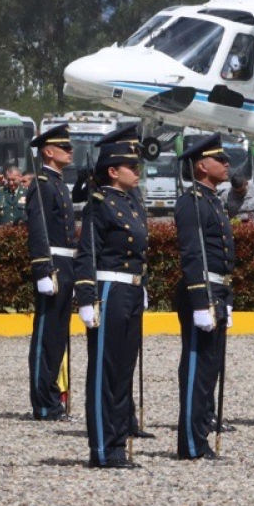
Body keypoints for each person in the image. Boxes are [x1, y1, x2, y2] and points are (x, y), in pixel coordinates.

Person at [74, 126, 149, 468]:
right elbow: (87, 254)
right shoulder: (99, 204)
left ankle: (118, 443)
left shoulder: (132, 203)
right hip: (107, 291)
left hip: (129, 291)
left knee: (123, 371)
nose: (138, 171)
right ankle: (103, 449)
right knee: (105, 372)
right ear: (112, 171)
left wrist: (141, 285)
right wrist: (86, 298)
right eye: (131, 166)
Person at [174, 131, 237, 460]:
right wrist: (202, 301)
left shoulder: (212, 199)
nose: (227, 164)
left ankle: (200, 434)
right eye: (220, 159)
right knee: (197, 368)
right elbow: (193, 254)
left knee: (209, 368)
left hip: (217, 289)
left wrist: (227, 296)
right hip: (202, 292)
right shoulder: (191, 202)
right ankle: (190, 442)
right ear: (201, 166)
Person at [25, 124, 79, 421]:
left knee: (58, 335)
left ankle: (53, 398)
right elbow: (38, 229)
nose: (70, 151)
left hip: (66, 263)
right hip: (53, 264)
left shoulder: (58, 182)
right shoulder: (43, 183)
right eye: (65, 147)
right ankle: (43, 402)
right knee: (46, 335)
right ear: (48, 151)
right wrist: (43, 268)